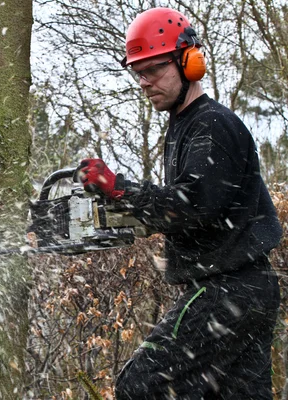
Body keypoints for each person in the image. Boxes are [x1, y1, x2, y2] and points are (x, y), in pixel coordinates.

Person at [78, 7, 283, 399]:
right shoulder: (185, 126)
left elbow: (191, 205)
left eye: (153, 69)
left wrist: (119, 189)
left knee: (140, 385)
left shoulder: (210, 124)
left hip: (226, 288)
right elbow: (190, 209)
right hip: (246, 287)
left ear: (188, 61)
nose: (144, 81)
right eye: (138, 72)